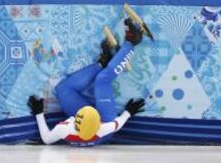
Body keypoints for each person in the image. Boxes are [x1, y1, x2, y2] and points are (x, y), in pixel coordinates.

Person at [28, 17, 147, 146]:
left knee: (63, 89)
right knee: (102, 80)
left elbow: (46, 139)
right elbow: (117, 125)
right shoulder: (103, 128)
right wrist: (128, 113)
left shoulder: (65, 128)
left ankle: (102, 63)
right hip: (105, 122)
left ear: (76, 120)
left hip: (87, 123)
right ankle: (132, 42)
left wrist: (39, 114)